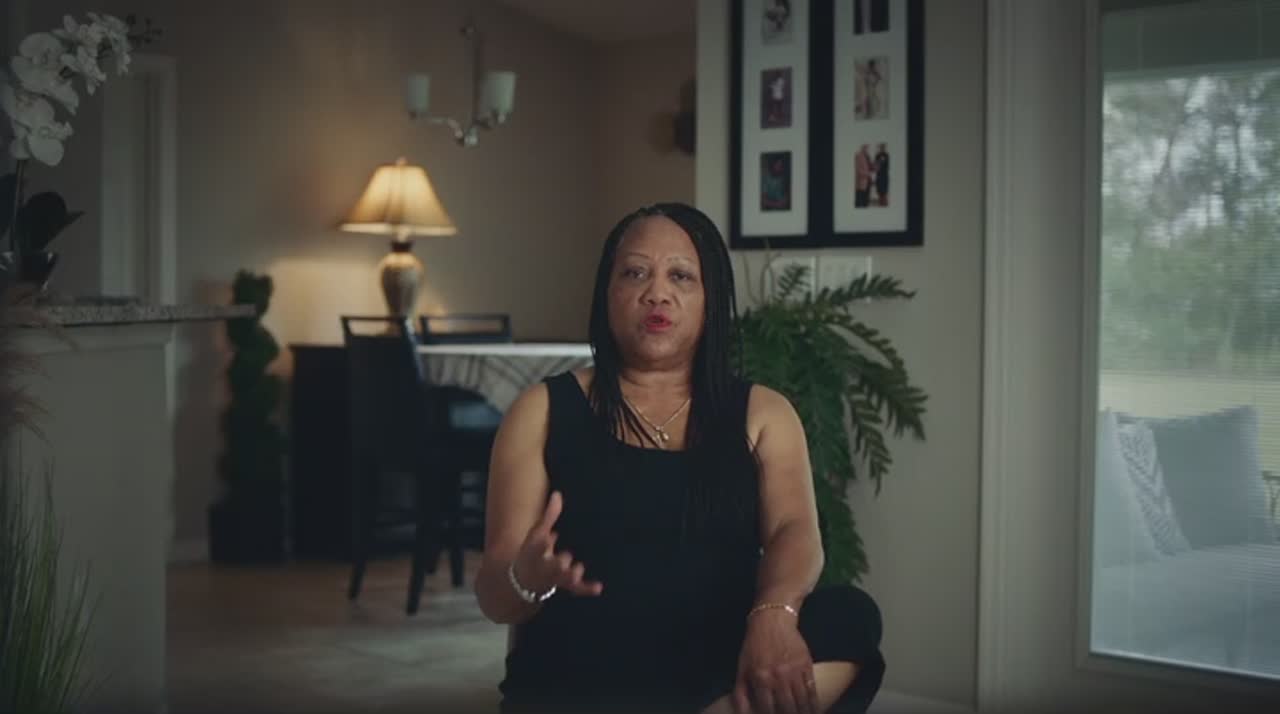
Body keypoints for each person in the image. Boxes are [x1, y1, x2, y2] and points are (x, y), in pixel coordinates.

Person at [474, 202, 885, 713]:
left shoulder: (763, 413)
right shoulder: (541, 410)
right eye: (635, 273)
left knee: (850, 617)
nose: (657, 292)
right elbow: (494, 595)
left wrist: (773, 616)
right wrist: (525, 579)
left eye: (681, 276)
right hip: (584, 671)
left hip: (714, 661)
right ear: (607, 293)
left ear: (711, 299)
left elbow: (794, 532)